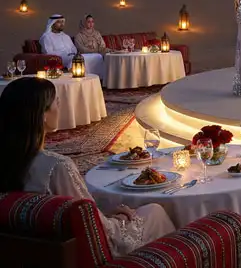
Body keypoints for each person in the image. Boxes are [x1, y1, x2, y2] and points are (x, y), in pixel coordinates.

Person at [0, 77, 176, 257]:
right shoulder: (57, 167)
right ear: (42, 115)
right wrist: (116, 219)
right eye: (57, 102)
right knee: (155, 211)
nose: (59, 107)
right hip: (89, 251)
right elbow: (93, 227)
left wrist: (105, 213)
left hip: (29, 253)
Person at [73, 14, 108, 82]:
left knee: (110, 53)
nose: (91, 24)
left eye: (92, 22)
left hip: (99, 51)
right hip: (87, 54)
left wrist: (99, 49)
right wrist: (93, 50)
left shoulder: (97, 33)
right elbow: (81, 48)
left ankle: (105, 79)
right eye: (89, 22)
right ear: (84, 23)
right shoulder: (79, 36)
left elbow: (103, 45)